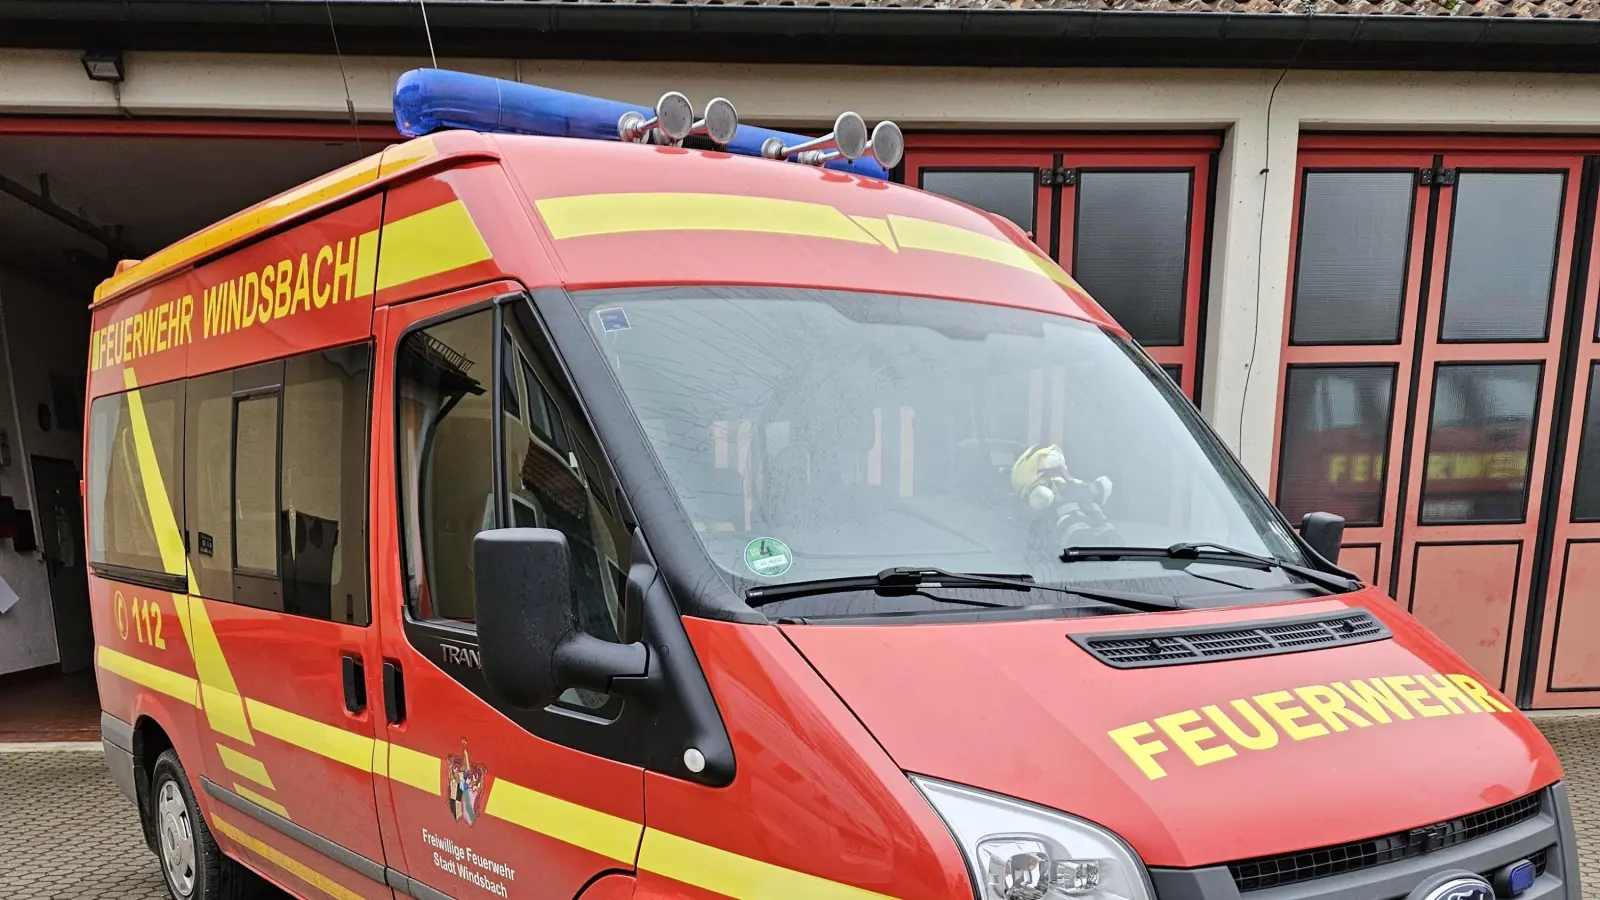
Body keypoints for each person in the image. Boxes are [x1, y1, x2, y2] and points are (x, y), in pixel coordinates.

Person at [1010, 443, 1118, 548]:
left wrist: (1090, 487)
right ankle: (1079, 534)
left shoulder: (1066, 478)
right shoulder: (1045, 485)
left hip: (1078, 497)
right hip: (1064, 505)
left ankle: (1106, 531)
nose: (1060, 471)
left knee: (1092, 508)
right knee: (1069, 512)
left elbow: (1073, 480)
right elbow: (1038, 497)